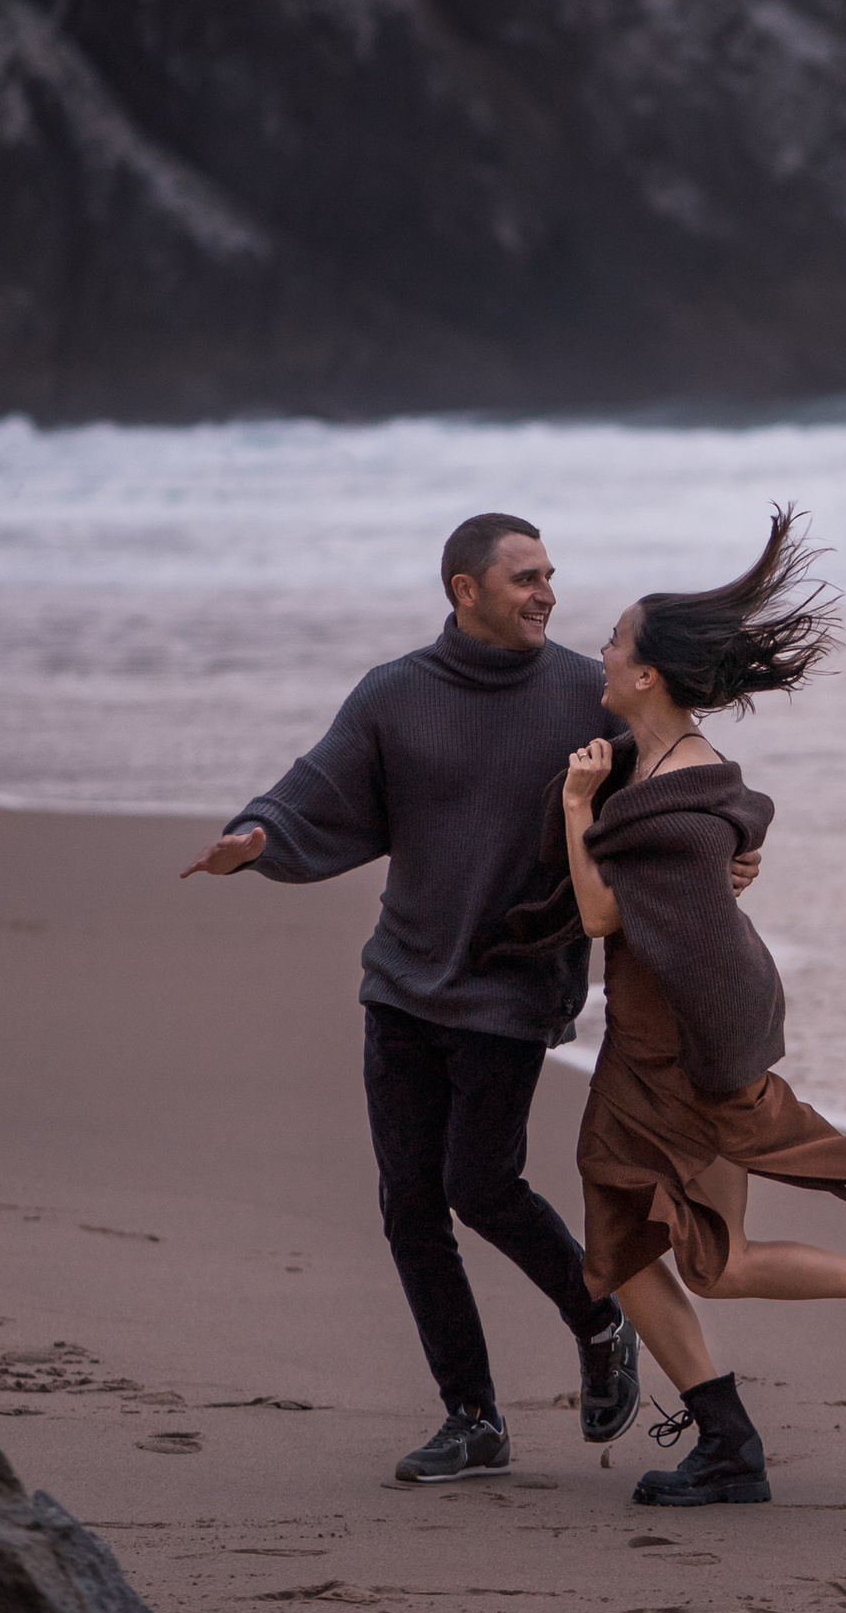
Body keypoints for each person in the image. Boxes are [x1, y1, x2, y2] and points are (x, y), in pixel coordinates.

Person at [183, 515, 722, 1485]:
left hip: (512, 985)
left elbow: (678, 774)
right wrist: (258, 838)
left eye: (550, 575)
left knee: (480, 1185)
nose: (547, 594)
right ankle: (472, 1418)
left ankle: (598, 1321)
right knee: (408, 1204)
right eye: (525, 578)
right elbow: (317, 787)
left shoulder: (585, 695)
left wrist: (730, 846)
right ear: (465, 590)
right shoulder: (395, 694)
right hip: (402, 983)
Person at [484, 508, 846, 1512]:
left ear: (646, 677)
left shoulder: (668, 795)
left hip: (674, 1060)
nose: (599, 651)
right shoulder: (658, 771)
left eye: (613, 642)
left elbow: (603, 911)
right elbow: (697, 878)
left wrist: (578, 809)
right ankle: (754, 1418)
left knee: (674, 1255)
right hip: (658, 1049)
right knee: (668, 1255)